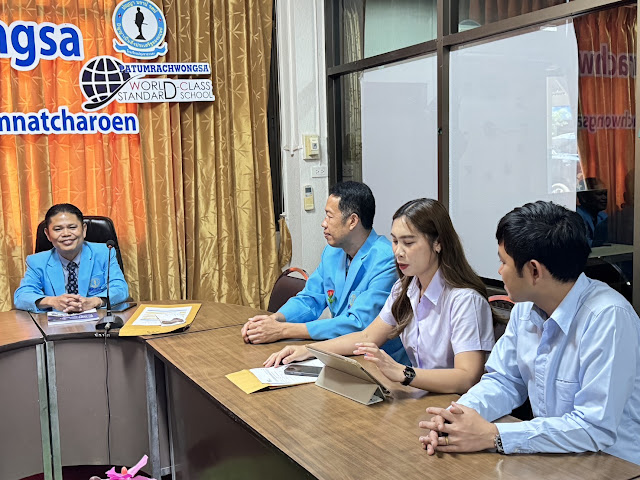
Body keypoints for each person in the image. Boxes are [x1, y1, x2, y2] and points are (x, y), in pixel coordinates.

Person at [420, 201, 640, 466]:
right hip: (553, 457)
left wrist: (494, 435)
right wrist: (456, 417)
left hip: (615, 465)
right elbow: (504, 380)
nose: (499, 271)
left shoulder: (608, 317)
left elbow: (594, 427)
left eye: (503, 262)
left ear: (534, 271)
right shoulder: (526, 308)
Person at [264, 198, 495, 394]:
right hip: (420, 395)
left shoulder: (465, 300)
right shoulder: (405, 288)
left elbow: (467, 377)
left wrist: (404, 373)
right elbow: (367, 336)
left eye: (408, 242)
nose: (398, 252)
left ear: (438, 243)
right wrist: (308, 351)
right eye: (395, 241)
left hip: (455, 405)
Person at [242, 181, 406, 362]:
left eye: (329, 216)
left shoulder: (386, 259)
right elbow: (310, 299)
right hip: (339, 354)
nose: (323, 223)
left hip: (380, 361)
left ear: (352, 221)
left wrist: (283, 330)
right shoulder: (332, 252)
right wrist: (275, 320)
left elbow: (358, 324)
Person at [14, 203, 129, 313]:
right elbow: (22, 296)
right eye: (58, 229)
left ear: (84, 230)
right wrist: (52, 301)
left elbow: (120, 289)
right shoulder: (37, 262)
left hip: (98, 320)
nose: (66, 234)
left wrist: (94, 302)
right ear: (48, 234)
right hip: (55, 323)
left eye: (72, 227)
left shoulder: (104, 253)